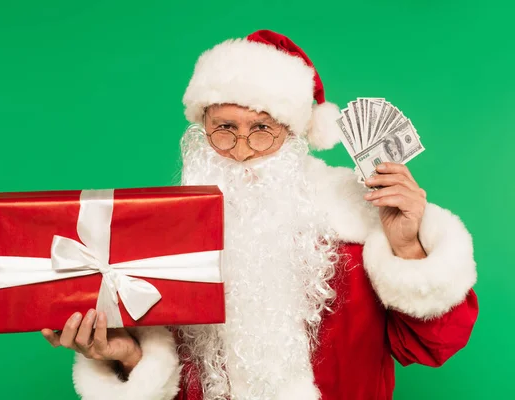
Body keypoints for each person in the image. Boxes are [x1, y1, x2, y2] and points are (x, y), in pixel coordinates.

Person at [41, 30, 478, 400]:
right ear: (202, 129)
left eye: (263, 129)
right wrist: (132, 359)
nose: (244, 151)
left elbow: (434, 346)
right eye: (225, 129)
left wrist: (406, 245)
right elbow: (175, 382)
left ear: (293, 135)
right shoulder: (168, 231)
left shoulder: (360, 214)